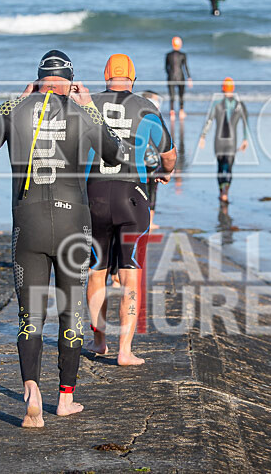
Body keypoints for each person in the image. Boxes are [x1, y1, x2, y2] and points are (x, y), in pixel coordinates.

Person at [0, 50, 129, 427]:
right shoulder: (81, 111)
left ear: (38, 80)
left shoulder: (16, 108)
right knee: (71, 314)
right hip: (72, 225)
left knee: (31, 317)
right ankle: (65, 399)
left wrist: (16, 99)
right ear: (71, 82)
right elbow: (117, 152)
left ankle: (31, 387)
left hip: (26, 224)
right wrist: (90, 104)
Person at [85, 54, 176, 366]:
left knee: (96, 273)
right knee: (130, 275)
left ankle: (99, 342)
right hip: (131, 196)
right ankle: (124, 351)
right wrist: (166, 172)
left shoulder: (88, 104)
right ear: (133, 78)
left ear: (106, 75)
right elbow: (169, 153)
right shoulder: (146, 107)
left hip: (94, 195)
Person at [200, 77, 249, 203]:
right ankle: (226, 190)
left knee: (220, 168)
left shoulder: (217, 104)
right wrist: (245, 139)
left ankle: (221, 191)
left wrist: (203, 136)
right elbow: (245, 123)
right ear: (233, 88)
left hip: (219, 142)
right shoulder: (240, 105)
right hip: (232, 142)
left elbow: (209, 121)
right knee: (229, 168)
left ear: (222, 88)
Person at [141, 90, 164, 229]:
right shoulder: (156, 120)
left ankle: (147, 220)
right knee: (151, 190)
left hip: (150, 160)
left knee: (146, 189)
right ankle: (148, 221)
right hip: (150, 160)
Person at [165, 36, 192, 121]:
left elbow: (166, 67)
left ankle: (172, 112)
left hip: (171, 77)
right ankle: (181, 111)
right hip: (181, 76)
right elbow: (185, 67)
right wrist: (189, 77)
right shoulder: (182, 55)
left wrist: (169, 74)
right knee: (181, 95)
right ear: (180, 44)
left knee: (172, 95)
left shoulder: (168, 55)